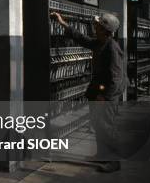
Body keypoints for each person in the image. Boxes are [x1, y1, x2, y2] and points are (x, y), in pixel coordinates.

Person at [51, 11, 126, 172]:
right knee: (98, 124)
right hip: (99, 91)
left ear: (104, 29)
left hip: (107, 94)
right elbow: (82, 39)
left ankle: (114, 161)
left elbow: (116, 77)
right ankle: (102, 154)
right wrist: (63, 23)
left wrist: (103, 96)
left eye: (97, 26)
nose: (95, 27)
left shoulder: (112, 48)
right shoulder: (101, 42)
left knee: (106, 126)